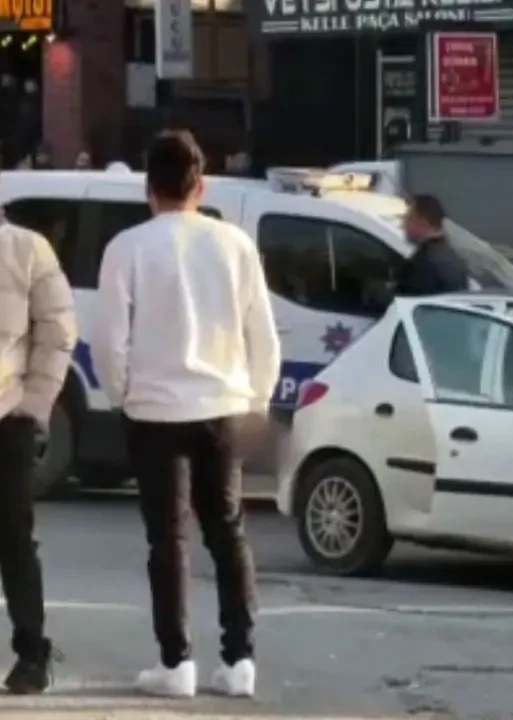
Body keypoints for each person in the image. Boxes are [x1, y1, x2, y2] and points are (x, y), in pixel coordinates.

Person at [92, 130, 280, 699]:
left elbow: (108, 340)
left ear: (148, 188)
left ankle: (176, 664)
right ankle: (239, 660)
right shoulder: (235, 245)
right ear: (201, 186)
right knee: (228, 530)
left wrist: (124, 394)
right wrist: (258, 399)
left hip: (155, 408)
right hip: (224, 404)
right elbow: (263, 335)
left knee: (168, 537)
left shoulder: (127, 247)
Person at [0, 190, 77, 694]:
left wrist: (34, 403)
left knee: (14, 539)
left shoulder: (24, 249)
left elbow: (57, 331)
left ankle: (32, 652)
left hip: (8, 418)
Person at [397, 193, 469, 296]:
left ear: (422, 221)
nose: (402, 225)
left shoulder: (424, 264)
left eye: (407, 218)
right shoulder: (452, 255)